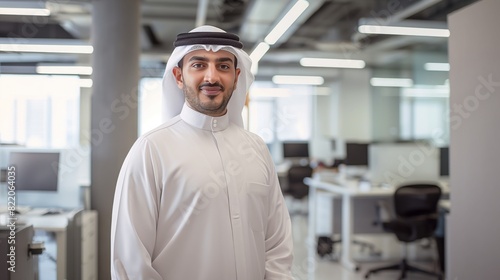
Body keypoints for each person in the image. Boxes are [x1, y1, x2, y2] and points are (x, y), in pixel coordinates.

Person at [111, 25, 294, 280]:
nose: (212, 77)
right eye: (198, 65)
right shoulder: (151, 150)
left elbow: (277, 243)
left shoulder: (256, 149)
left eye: (223, 66)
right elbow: (130, 261)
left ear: (237, 75)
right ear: (178, 76)